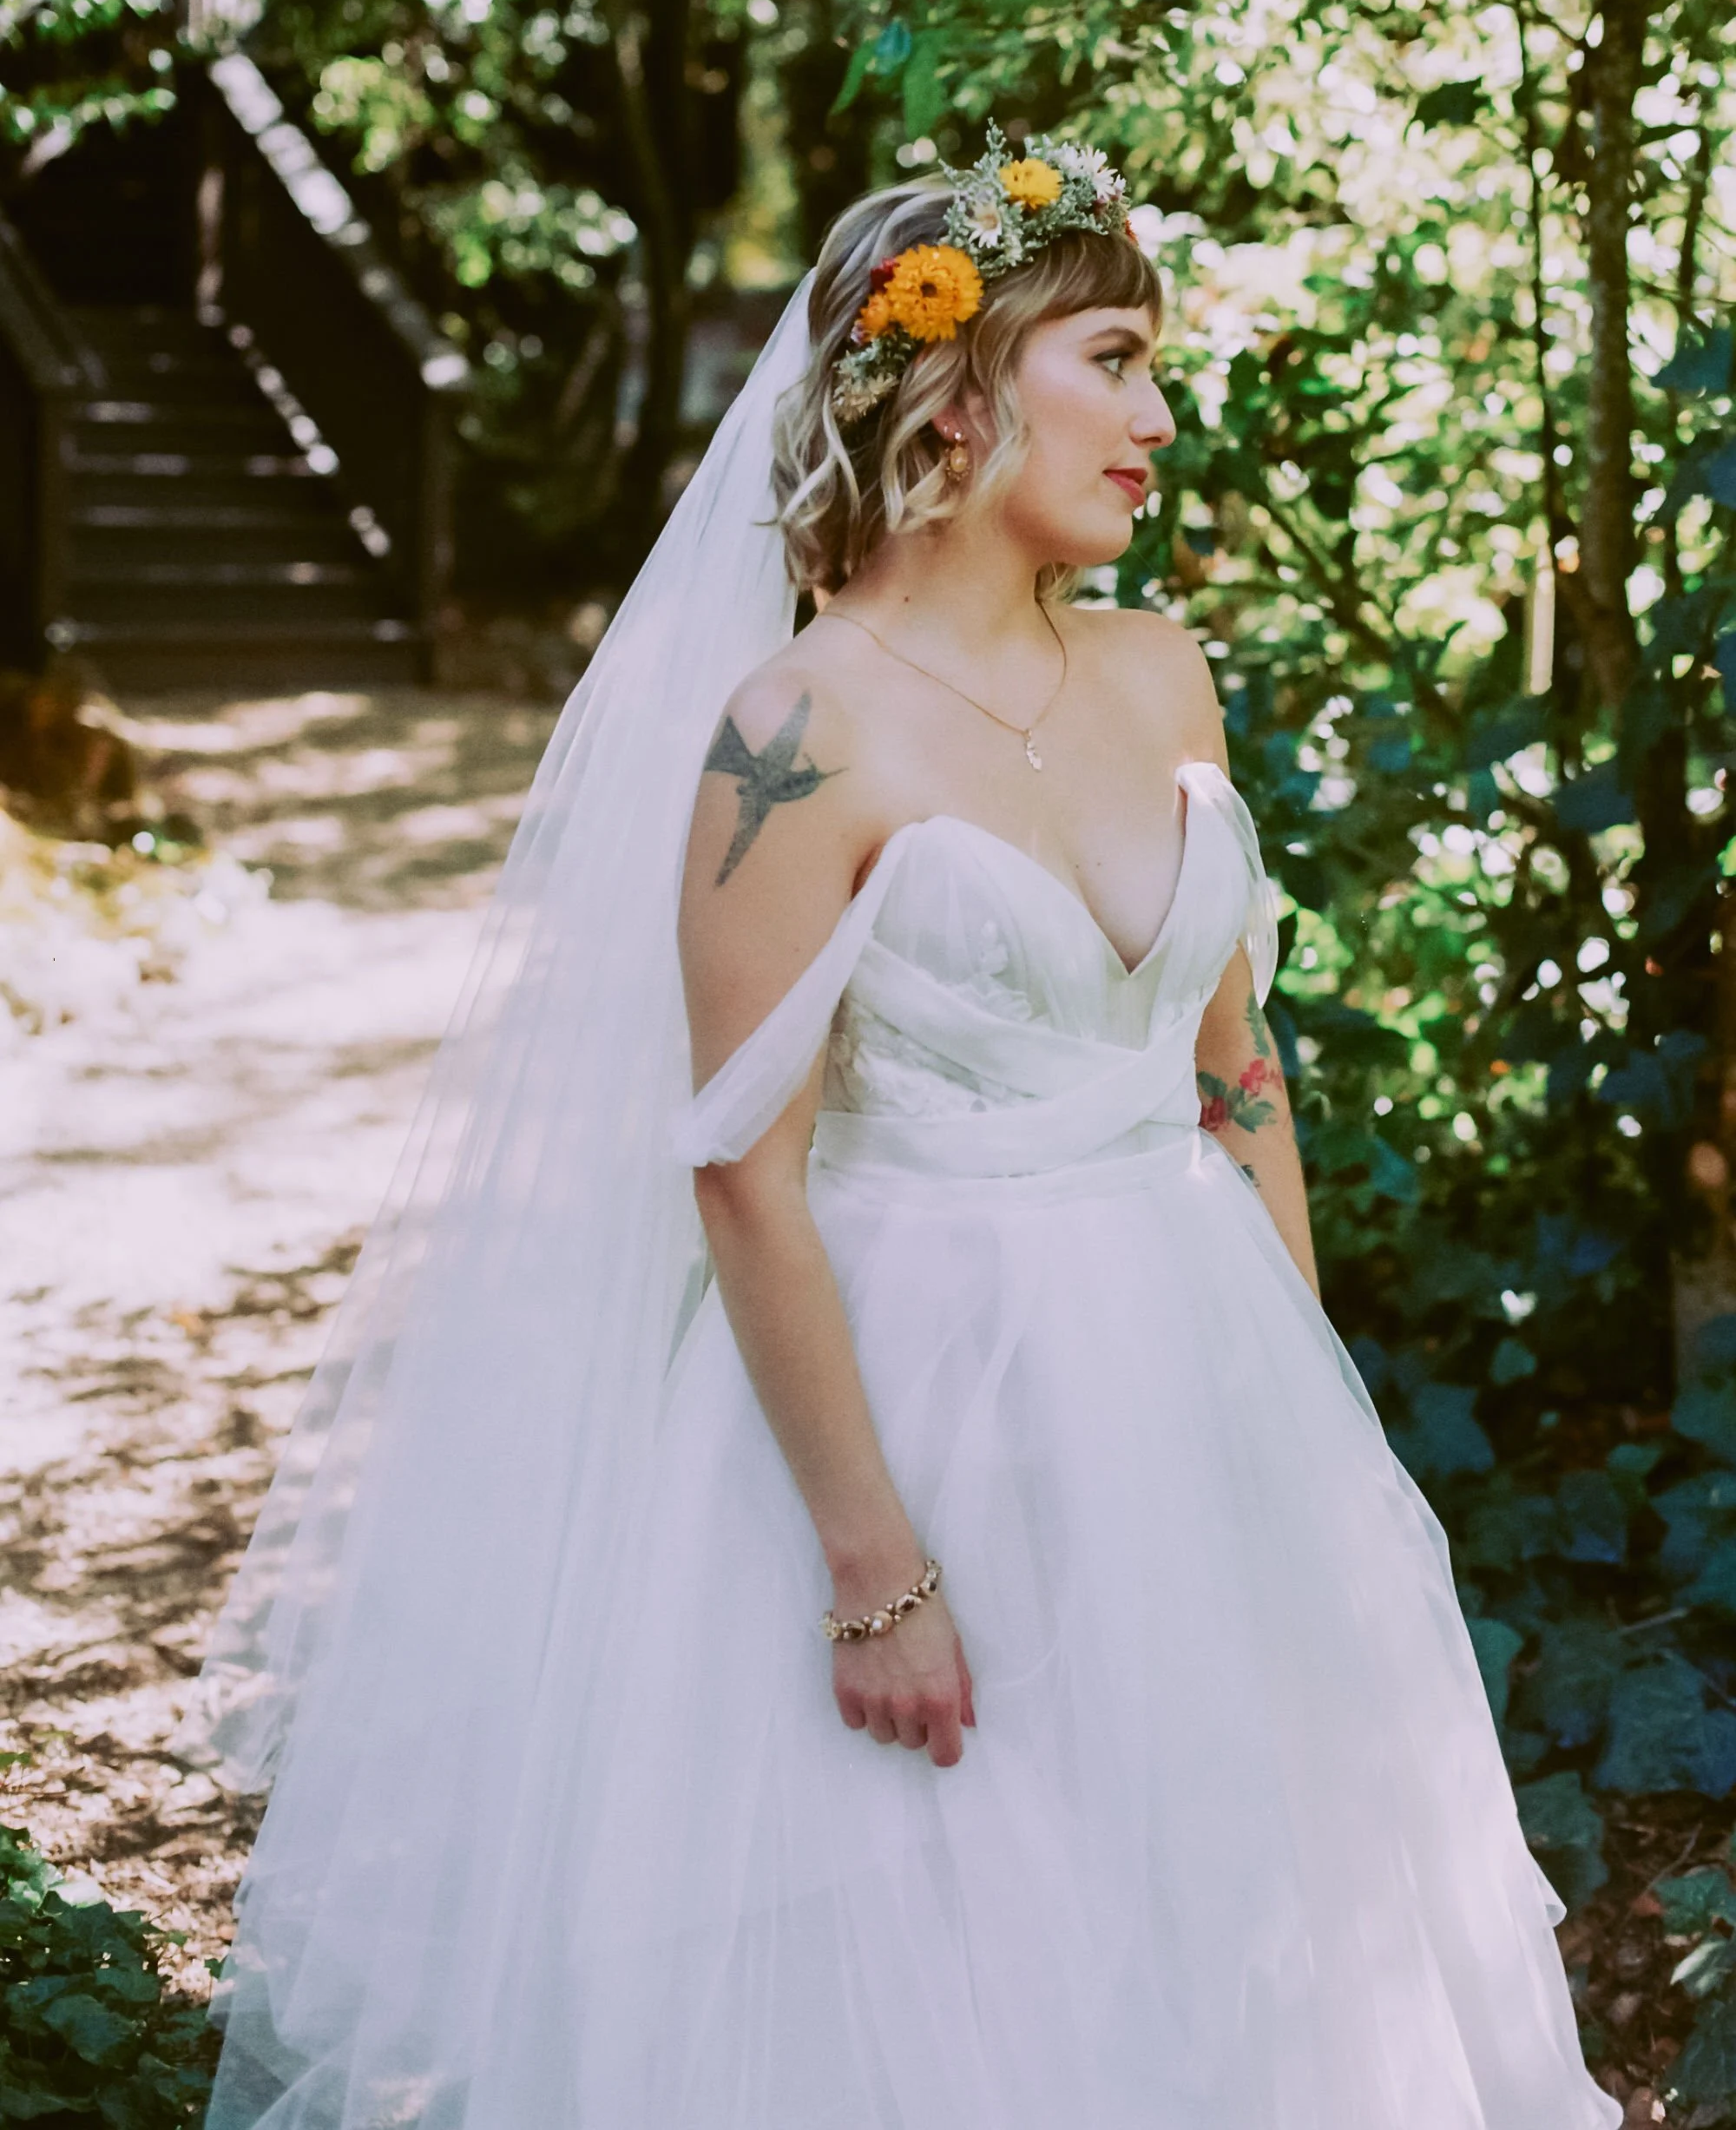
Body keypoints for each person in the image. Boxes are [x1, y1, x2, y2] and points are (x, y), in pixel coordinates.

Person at [185, 135, 1619, 2130]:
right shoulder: (794, 732)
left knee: (1228, 1917)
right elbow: (738, 1168)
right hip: (917, 1397)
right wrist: (876, 1572)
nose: (1157, 419)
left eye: (1154, 368)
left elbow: (1235, 1069)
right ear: (957, 392)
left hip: (1197, 1375)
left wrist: (1310, 1429)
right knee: (942, 1950)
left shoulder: (1159, 669)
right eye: (1113, 360)